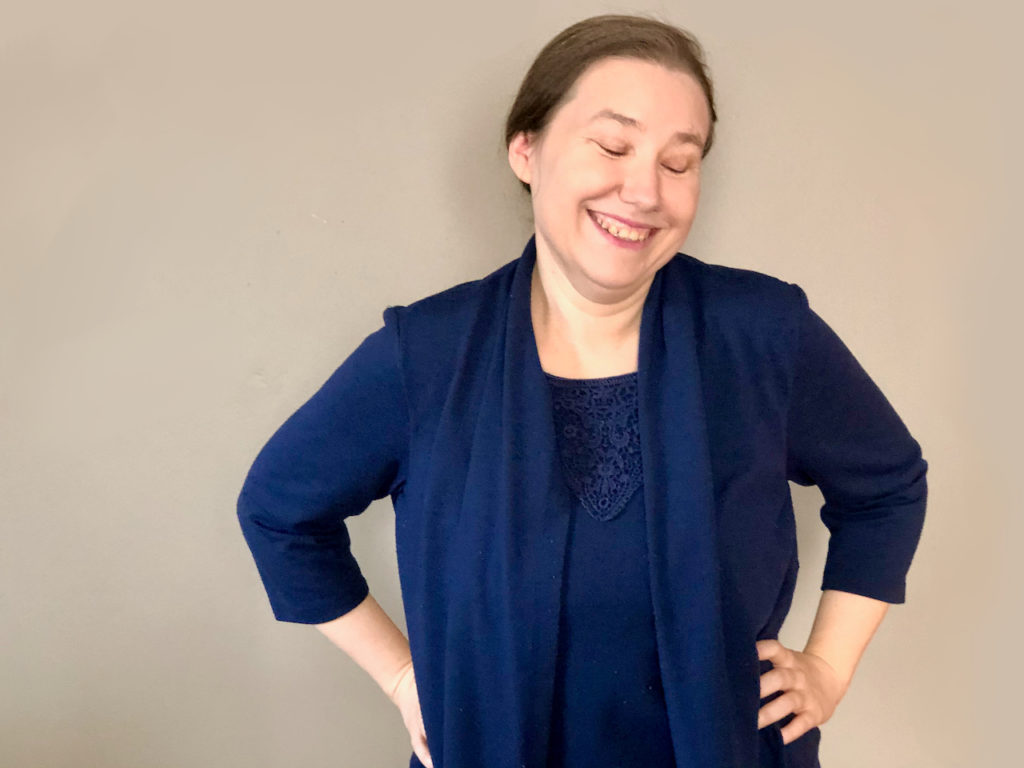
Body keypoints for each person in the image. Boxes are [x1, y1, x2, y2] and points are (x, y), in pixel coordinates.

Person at [236, 13, 928, 768]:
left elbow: (887, 487)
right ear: (526, 149)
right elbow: (280, 511)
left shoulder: (763, 334)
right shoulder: (427, 355)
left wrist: (826, 668)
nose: (645, 190)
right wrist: (405, 676)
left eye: (679, 161)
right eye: (613, 145)